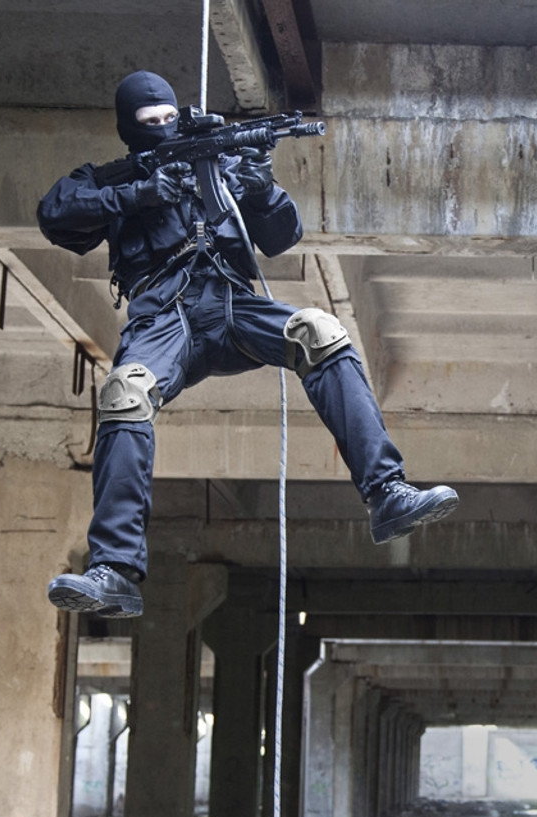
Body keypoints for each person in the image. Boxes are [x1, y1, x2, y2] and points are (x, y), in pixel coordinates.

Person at [36, 70, 458, 618]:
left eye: (170, 118)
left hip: (231, 305)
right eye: (150, 122)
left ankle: (387, 495)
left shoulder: (223, 167)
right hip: (164, 316)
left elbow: (283, 236)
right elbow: (55, 213)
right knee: (124, 392)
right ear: (128, 129)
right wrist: (139, 193)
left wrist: (260, 186)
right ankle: (114, 570)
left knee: (320, 332)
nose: (163, 128)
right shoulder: (108, 178)